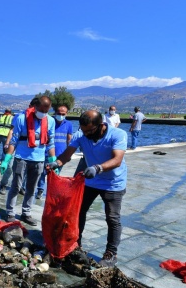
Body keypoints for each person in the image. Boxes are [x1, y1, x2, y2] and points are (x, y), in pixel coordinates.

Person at [47, 110, 127, 267]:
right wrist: (56, 163)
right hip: (91, 181)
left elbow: (117, 160)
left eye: (89, 131)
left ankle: (111, 253)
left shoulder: (118, 134)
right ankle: (76, 243)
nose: (86, 134)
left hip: (113, 183)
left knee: (112, 217)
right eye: (83, 130)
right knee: (78, 211)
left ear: (101, 125)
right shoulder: (81, 135)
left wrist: (98, 168)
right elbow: (67, 155)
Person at [0, 96, 56, 226]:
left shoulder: (51, 121)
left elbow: (51, 143)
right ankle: (10, 211)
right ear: (34, 107)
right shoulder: (20, 118)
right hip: (21, 159)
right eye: (41, 110)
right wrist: (6, 159)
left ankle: (26, 213)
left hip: (39, 160)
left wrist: (54, 160)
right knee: (16, 186)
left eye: (46, 111)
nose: (43, 113)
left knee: (32, 188)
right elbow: (14, 141)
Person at [0, 98, 38, 195]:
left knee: (25, 169)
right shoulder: (19, 116)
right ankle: (3, 184)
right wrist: (7, 143)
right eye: (34, 108)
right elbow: (11, 131)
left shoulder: (38, 118)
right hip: (14, 145)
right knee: (10, 167)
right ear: (30, 106)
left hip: (26, 147)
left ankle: (21, 186)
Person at [35, 104, 74, 199]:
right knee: (43, 173)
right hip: (47, 153)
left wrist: (69, 154)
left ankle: (51, 191)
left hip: (61, 155)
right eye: (58, 113)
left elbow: (69, 140)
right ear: (55, 112)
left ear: (66, 114)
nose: (60, 115)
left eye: (63, 114)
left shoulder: (69, 124)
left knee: (55, 174)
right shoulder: (49, 122)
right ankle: (40, 190)